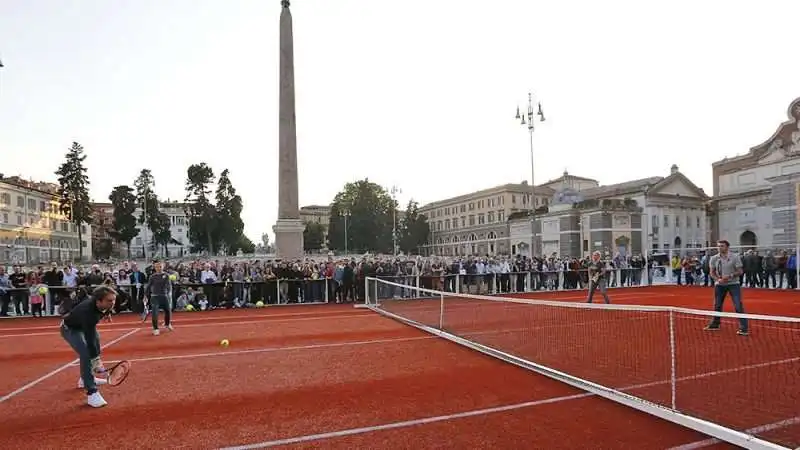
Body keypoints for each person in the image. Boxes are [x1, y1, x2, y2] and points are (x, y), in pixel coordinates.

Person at [60, 285, 117, 408]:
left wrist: (108, 314)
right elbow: (89, 338)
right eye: (109, 301)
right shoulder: (88, 312)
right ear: (98, 301)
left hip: (84, 325)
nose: (113, 303)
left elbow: (93, 338)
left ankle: (84, 378)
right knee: (87, 353)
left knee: (96, 345)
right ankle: (92, 392)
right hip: (70, 329)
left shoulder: (104, 305)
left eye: (113, 300)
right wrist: (96, 360)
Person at [705, 240, 748, 335]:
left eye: (722, 246)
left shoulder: (735, 257)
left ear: (727, 247)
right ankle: (715, 323)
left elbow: (740, 271)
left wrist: (730, 276)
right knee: (717, 305)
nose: (720, 248)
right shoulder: (714, 258)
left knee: (738, 305)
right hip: (719, 285)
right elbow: (712, 272)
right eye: (718, 246)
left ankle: (744, 327)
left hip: (733, 284)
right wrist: (717, 279)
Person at [145, 260, 174, 336]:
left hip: (164, 296)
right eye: (157, 267)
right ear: (155, 267)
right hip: (155, 297)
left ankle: (167, 324)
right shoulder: (152, 276)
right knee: (155, 313)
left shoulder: (166, 275)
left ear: (163, 267)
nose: (159, 268)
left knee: (168, 311)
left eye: (160, 266)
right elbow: (148, 287)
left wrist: (169, 293)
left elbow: (169, 286)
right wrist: (145, 296)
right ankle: (155, 328)